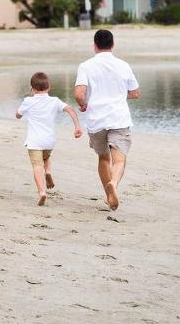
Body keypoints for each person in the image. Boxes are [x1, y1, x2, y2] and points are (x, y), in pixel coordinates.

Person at [74, 30, 140, 211]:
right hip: (119, 118)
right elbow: (135, 93)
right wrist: (118, 95)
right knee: (119, 160)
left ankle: (108, 193)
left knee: (103, 158)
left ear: (95, 45)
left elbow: (79, 94)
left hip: (97, 120)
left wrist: (84, 104)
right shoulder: (123, 65)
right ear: (113, 45)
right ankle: (114, 184)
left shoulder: (86, 66)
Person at [16, 72, 83, 206]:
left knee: (37, 165)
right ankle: (48, 171)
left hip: (35, 141)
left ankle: (42, 192)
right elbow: (70, 109)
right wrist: (77, 127)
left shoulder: (28, 101)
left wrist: (21, 112)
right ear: (49, 87)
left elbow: (18, 115)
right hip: (49, 141)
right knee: (46, 158)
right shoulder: (55, 101)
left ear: (32, 89)